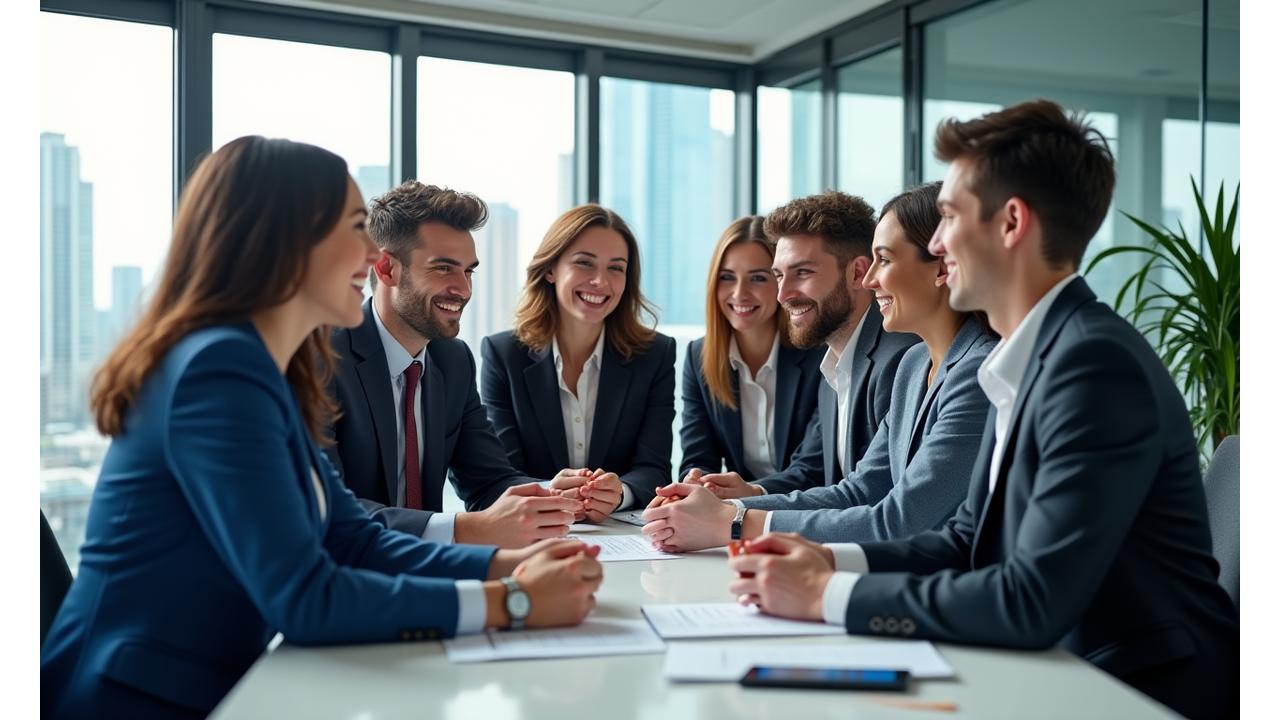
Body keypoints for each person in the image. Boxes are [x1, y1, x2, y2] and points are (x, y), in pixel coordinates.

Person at [41, 138, 604, 719]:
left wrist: (508, 566)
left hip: (230, 684)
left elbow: (350, 538)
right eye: (356, 227)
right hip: (139, 700)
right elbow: (306, 596)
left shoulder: (272, 368)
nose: (373, 252)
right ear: (283, 240)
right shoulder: (219, 369)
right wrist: (511, 601)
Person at [726, 100, 1239, 720]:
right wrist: (828, 559)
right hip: (1058, 665)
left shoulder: (1093, 366)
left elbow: (1032, 600)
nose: (936, 244)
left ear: (1011, 222)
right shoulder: (1025, 354)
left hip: (1132, 686)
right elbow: (967, 539)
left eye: (947, 217)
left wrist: (826, 595)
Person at [644, 182, 996, 550]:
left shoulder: (976, 373)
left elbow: (899, 520)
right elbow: (858, 491)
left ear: (943, 266)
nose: (871, 279)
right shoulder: (913, 364)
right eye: (779, 275)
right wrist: (727, 509)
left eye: (885, 260)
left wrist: (733, 523)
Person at [328, 181, 580, 548]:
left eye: (468, 271)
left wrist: (551, 496)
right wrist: (466, 529)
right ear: (386, 268)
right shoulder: (325, 360)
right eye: (444, 268)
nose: (463, 289)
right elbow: (329, 510)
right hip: (351, 569)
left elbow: (488, 481)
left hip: (433, 567)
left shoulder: (453, 360)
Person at [683, 191, 919, 501]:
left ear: (858, 273)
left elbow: (867, 498)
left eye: (803, 272)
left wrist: (738, 512)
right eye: (779, 275)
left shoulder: (899, 361)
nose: (782, 294)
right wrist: (741, 495)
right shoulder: (834, 363)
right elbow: (821, 477)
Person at [481, 204, 676, 517]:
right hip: (532, 530)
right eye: (585, 263)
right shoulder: (503, 355)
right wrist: (550, 491)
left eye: (616, 268)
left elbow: (654, 469)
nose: (600, 281)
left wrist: (619, 493)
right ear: (550, 269)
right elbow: (498, 474)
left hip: (619, 532)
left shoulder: (655, 355)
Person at [678, 215, 825, 488]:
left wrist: (752, 492)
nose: (739, 293)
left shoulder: (819, 354)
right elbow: (698, 457)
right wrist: (696, 481)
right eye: (727, 277)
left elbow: (813, 469)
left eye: (758, 278)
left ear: (781, 282)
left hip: (801, 506)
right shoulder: (699, 357)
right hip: (734, 506)